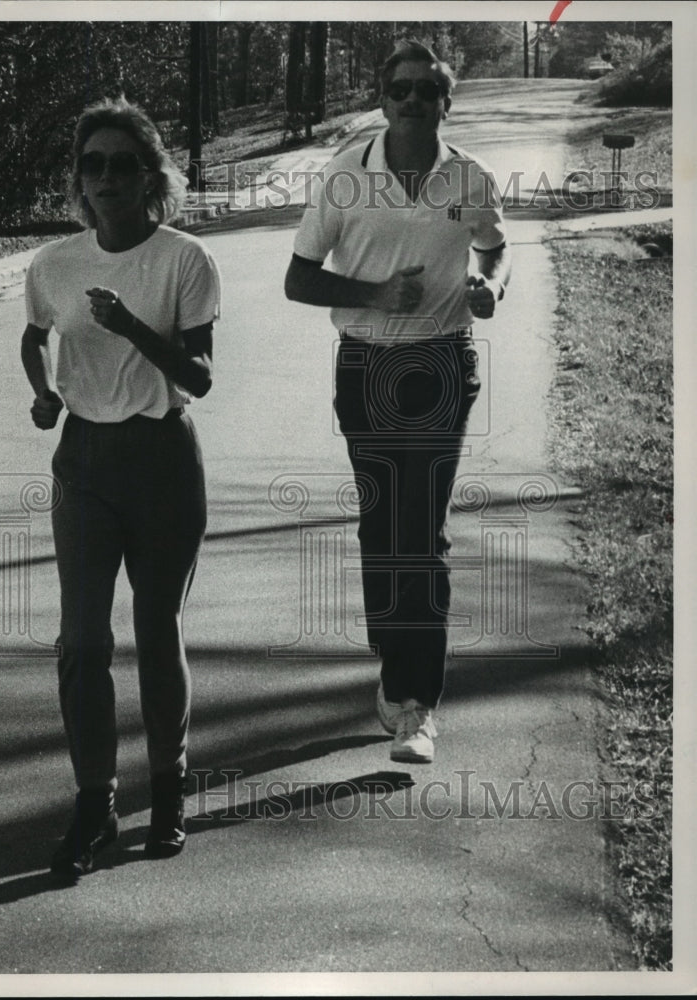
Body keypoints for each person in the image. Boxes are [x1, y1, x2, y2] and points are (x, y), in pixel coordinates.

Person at [285, 40, 511, 764]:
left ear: (447, 102)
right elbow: (300, 279)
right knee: (383, 527)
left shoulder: (468, 178)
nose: (412, 100)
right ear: (383, 101)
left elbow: (495, 247)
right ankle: (392, 639)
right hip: (368, 366)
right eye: (399, 90)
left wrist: (491, 289)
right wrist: (374, 293)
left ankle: (415, 703)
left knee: (423, 533)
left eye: (426, 90)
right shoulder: (345, 177)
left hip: (443, 361)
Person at [21, 96, 221, 880]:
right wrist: (42, 392)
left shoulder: (183, 261)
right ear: (80, 179)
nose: (106, 176)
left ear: (151, 176)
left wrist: (134, 327)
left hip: (163, 458)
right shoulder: (54, 265)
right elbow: (35, 338)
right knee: (80, 642)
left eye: (123, 163)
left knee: (155, 626)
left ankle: (167, 790)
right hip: (85, 462)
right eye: (92, 164)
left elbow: (200, 378)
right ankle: (94, 802)